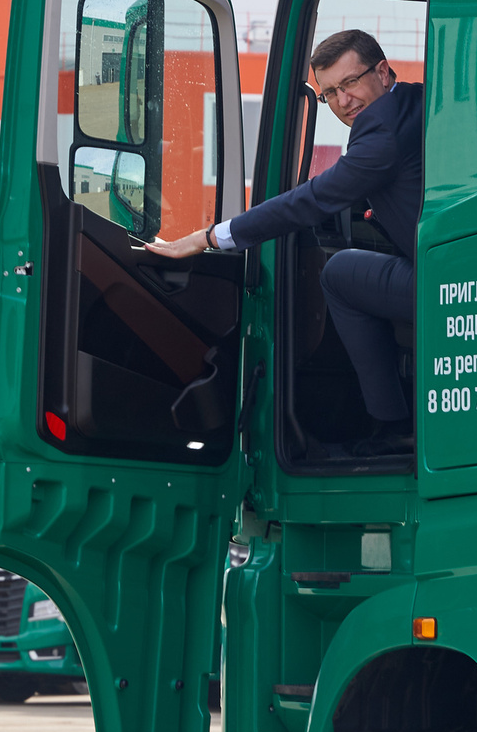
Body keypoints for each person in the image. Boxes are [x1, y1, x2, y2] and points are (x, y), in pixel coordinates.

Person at [150, 28, 423, 457]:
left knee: (338, 275)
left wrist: (209, 237)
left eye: (350, 83)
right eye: (330, 93)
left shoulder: (382, 134)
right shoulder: (414, 102)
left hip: (448, 284)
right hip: (455, 266)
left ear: (383, 71)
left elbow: (312, 199)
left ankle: (394, 426)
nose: (343, 101)